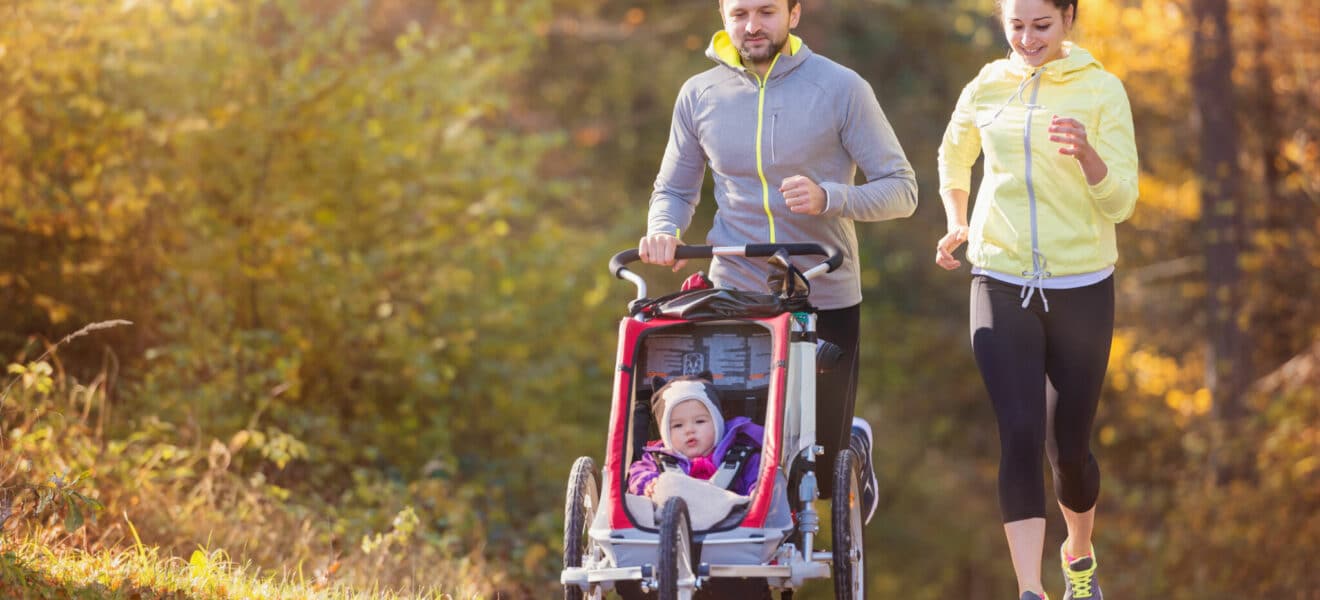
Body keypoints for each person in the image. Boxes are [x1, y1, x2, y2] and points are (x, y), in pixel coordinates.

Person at [637, 0, 918, 524]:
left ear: (794, 13)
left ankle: (851, 439)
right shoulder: (699, 94)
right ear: (722, 15)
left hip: (821, 290)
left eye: (766, 11)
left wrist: (831, 197)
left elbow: (902, 191)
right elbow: (674, 188)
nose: (751, 26)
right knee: (730, 458)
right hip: (733, 295)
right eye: (738, 12)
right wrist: (663, 231)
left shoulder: (840, 88)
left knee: (817, 470)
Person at [934, 0, 1138, 598]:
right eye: (1015, 25)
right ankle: (1029, 588)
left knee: (1069, 447)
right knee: (1018, 430)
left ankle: (1079, 557)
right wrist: (956, 219)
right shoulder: (987, 84)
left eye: (1041, 25)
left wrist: (1088, 156)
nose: (1026, 38)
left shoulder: (1101, 90)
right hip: (999, 277)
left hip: (1081, 287)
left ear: (1068, 19)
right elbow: (954, 154)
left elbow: (1122, 202)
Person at [627, 375, 763, 498]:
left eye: (700, 421)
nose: (689, 430)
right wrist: (649, 484)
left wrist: (756, 492)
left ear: (717, 425)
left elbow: (759, 481)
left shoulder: (744, 458)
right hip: (674, 520)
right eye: (678, 425)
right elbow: (637, 474)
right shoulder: (655, 460)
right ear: (666, 434)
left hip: (734, 521)